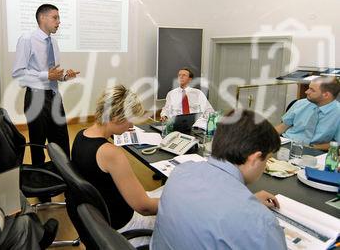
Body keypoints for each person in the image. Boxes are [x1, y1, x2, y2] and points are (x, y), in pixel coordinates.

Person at [152, 109, 286, 250]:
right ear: (254, 158)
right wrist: (248, 208)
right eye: (267, 159)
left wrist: (247, 203)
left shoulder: (181, 171)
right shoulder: (262, 223)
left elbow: (208, 205)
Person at [71, 85, 160, 246]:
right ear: (115, 118)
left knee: (162, 192)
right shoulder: (110, 153)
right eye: (130, 119)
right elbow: (144, 207)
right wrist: (177, 204)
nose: (132, 126)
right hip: (123, 228)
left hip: (102, 219)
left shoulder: (80, 135)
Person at [12, 4, 80, 166]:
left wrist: (64, 76)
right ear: (42, 18)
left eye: (59, 18)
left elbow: (53, 74)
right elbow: (18, 73)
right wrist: (46, 75)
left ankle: (65, 174)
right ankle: (39, 176)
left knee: (61, 140)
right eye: (55, 18)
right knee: (38, 143)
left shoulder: (53, 43)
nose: (59, 22)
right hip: (36, 98)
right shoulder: (27, 39)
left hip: (54, 97)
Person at [275, 77, 340, 151]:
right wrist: (266, 137)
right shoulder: (301, 103)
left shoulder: (337, 113)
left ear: (326, 95)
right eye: (309, 88)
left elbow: (337, 144)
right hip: (287, 142)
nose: (306, 92)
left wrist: (311, 148)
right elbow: (283, 126)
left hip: (314, 149)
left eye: (312, 90)